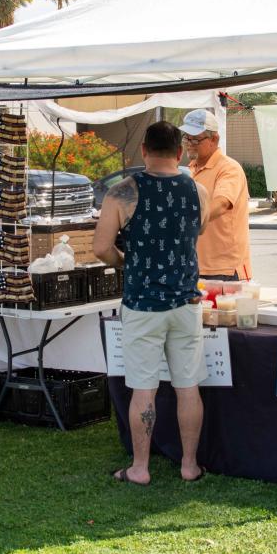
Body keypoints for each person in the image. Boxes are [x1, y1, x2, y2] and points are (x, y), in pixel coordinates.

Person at [93, 121, 210, 486]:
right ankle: (189, 465)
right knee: (187, 386)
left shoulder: (122, 193)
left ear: (143, 150)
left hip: (143, 303)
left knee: (144, 388)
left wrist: (123, 262)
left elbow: (100, 248)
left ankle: (140, 468)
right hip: (186, 302)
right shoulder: (199, 191)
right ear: (179, 152)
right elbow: (198, 230)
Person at [181, 109, 252, 281]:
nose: (189, 143)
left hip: (225, 270)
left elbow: (220, 204)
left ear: (214, 139)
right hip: (194, 267)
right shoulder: (189, 171)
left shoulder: (228, 168)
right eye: (186, 138)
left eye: (196, 139)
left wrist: (186, 221)